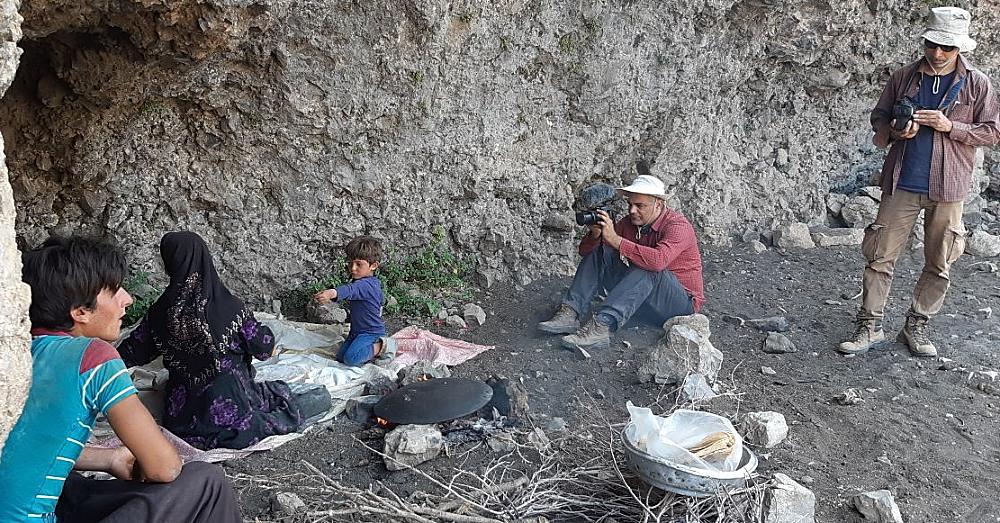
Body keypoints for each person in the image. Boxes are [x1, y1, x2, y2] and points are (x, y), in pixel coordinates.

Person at [0, 236, 241, 522]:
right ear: (80, 312)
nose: (127, 298)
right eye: (114, 290)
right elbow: (163, 468)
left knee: (73, 487)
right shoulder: (93, 357)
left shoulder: (15, 352)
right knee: (207, 482)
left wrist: (108, 458)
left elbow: (25, 446)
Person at [839, 6, 1000, 357]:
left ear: (961, 48)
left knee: (940, 261)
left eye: (947, 47)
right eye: (932, 44)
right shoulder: (903, 77)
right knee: (880, 255)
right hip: (902, 181)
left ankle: (917, 324)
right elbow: (879, 118)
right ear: (925, 41)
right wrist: (896, 130)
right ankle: (870, 325)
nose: (938, 53)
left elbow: (992, 131)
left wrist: (950, 127)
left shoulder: (977, 83)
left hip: (949, 187)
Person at [118, 231, 331, 450]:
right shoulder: (229, 307)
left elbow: (132, 352)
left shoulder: (159, 313)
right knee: (305, 398)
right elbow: (264, 348)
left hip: (181, 419)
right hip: (234, 415)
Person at [538, 174, 706, 350]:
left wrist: (616, 240)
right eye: (630, 205)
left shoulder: (678, 226)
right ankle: (570, 312)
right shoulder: (630, 223)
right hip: (644, 303)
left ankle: (601, 327)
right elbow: (586, 252)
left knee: (650, 267)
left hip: (680, 306)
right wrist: (597, 235)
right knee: (601, 250)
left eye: (640, 206)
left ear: (659, 204)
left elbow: (657, 262)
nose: (632, 210)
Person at [314, 235, 396, 366]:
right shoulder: (370, 283)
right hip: (356, 331)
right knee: (340, 357)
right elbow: (379, 300)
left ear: (373, 266)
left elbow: (350, 290)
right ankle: (368, 351)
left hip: (370, 332)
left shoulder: (365, 285)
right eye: (350, 263)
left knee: (351, 359)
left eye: (359, 264)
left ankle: (384, 345)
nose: (353, 268)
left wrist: (331, 293)